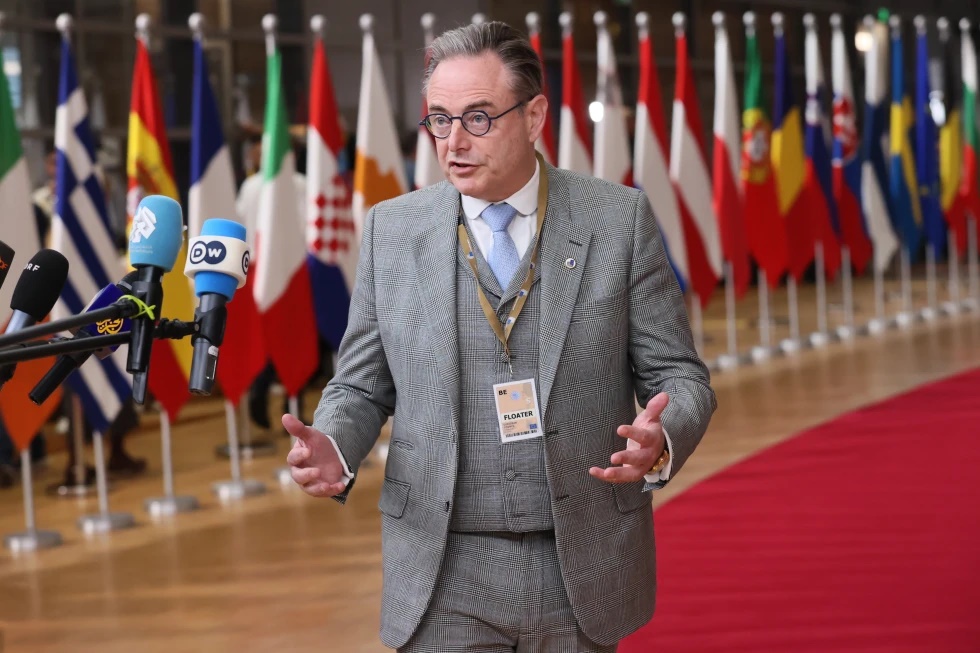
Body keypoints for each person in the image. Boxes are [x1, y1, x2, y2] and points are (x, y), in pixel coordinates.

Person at [284, 21, 715, 652]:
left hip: (581, 561)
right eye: (439, 119)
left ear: (534, 116)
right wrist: (336, 445)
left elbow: (679, 375)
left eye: (479, 118)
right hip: (441, 567)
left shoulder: (617, 220)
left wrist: (663, 437)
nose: (454, 141)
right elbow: (360, 384)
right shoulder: (391, 231)